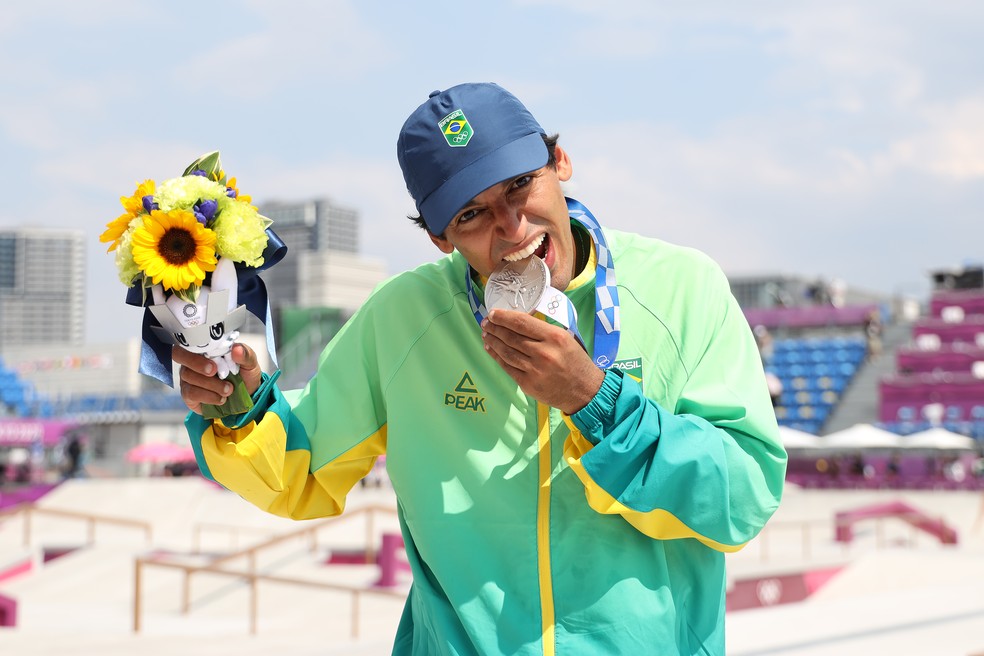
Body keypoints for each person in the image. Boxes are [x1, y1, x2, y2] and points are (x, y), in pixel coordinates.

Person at [174, 82, 787, 655]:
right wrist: (241, 407)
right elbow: (299, 474)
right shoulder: (402, 319)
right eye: (470, 214)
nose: (510, 227)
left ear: (560, 163)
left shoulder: (683, 288)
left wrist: (596, 402)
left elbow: (744, 497)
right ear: (441, 238)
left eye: (519, 184)